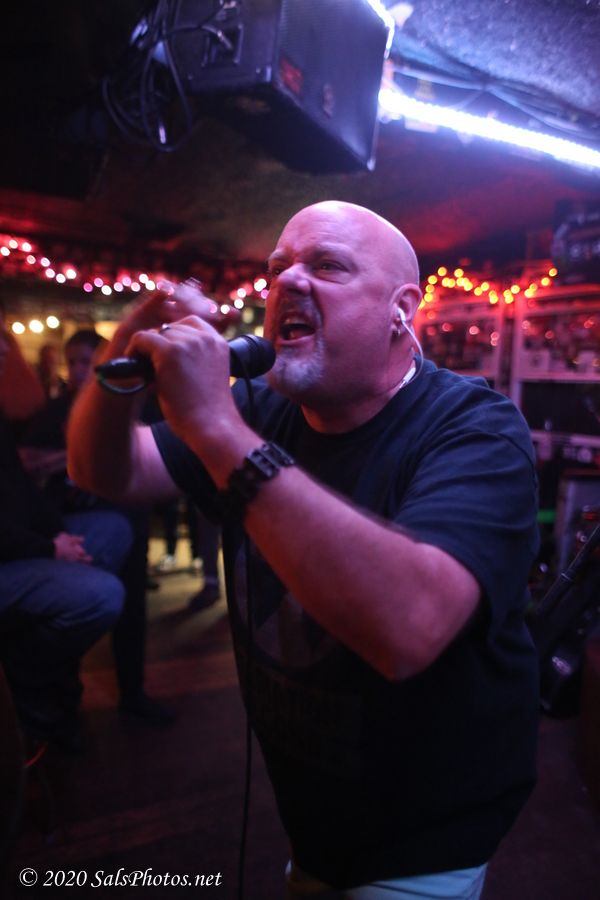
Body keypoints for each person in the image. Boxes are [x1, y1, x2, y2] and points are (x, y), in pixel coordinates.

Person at [68, 202, 540, 899]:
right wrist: (122, 359)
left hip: (425, 842)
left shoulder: (475, 428)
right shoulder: (264, 409)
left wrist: (214, 424)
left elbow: (409, 625)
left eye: (327, 266)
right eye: (279, 268)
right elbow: (103, 471)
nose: (288, 281)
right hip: (314, 825)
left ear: (400, 310)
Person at [19, 329, 174, 726]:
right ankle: (66, 705)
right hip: (74, 525)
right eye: (72, 362)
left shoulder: (131, 404)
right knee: (77, 610)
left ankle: (132, 693)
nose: (77, 370)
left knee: (132, 610)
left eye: (85, 362)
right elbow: (26, 461)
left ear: (104, 363)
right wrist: (78, 456)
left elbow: (157, 450)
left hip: (128, 515)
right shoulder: (56, 409)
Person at [0, 325, 129, 751]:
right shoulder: (53, 409)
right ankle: (26, 676)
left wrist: (57, 534)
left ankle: (55, 658)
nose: (4, 347)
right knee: (102, 595)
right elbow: (31, 463)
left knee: (113, 529)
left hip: (24, 543)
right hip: (12, 555)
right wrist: (49, 548)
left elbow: (21, 487)